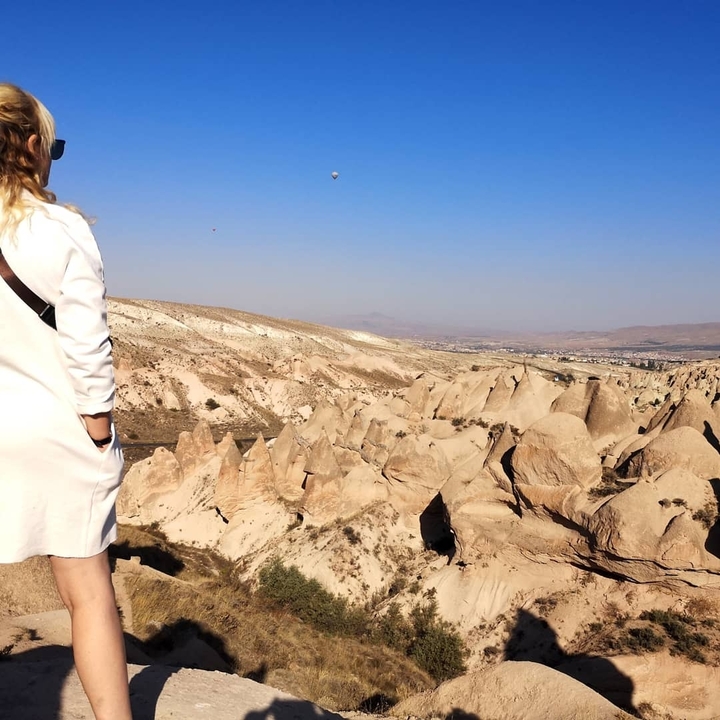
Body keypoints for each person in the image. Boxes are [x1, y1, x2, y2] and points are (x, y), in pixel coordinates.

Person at [0, 83, 132, 720]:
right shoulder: (61, 229)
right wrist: (100, 427)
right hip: (56, 430)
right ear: (30, 146)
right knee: (88, 592)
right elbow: (87, 343)